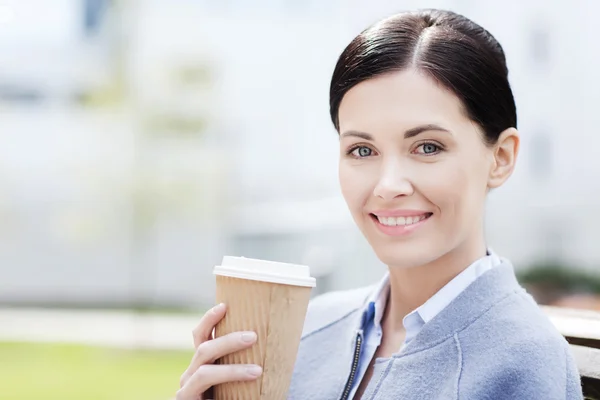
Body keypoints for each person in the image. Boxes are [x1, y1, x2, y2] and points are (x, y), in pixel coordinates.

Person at [176, 9, 583, 400]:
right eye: (362, 150)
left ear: (501, 158)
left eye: (427, 147)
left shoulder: (523, 362)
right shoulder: (309, 328)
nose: (388, 186)